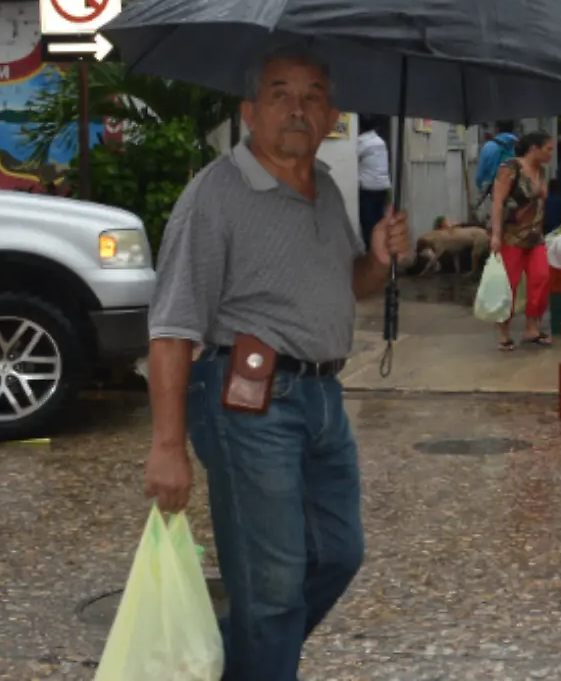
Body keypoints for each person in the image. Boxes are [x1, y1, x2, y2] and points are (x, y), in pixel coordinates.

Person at [142, 44, 410, 681]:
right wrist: (167, 445)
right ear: (248, 113)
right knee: (273, 584)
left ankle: (233, 657)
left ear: (332, 114)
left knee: (338, 555)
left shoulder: (325, 190)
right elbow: (173, 326)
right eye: (280, 93)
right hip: (246, 401)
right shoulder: (215, 195)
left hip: (322, 399)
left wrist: (377, 256)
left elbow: (348, 284)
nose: (298, 108)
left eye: (314, 94)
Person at [488, 131, 556, 351]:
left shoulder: (542, 171)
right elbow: (498, 202)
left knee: (541, 277)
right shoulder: (510, 168)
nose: (550, 154)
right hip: (512, 236)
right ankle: (504, 331)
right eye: (548, 149)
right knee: (509, 285)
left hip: (535, 236)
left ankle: (531, 327)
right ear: (534, 149)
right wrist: (496, 235)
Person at [354, 117, 392, 251]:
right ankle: (382, 252)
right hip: (383, 188)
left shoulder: (362, 142)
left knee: (368, 225)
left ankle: (372, 254)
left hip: (368, 189)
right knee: (380, 224)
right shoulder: (380, 141)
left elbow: (350, 156)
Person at [474, 122, 518, 199]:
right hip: (514, 194)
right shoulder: (518, 146)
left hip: (493, 193)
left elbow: (479, 177)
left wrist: (482, 188)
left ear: (497, 128)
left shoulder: (488, 147)